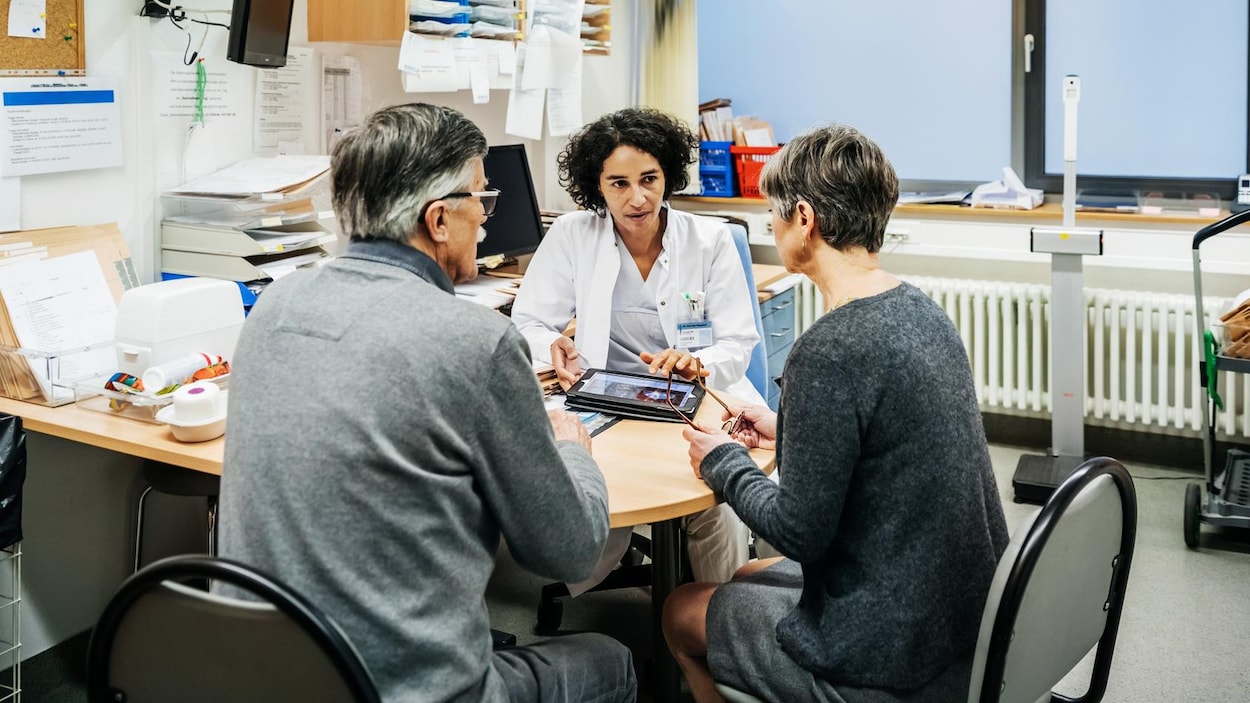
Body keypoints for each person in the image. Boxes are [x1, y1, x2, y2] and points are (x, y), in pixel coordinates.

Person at [217, 103, 636, 703]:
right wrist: (574, 454)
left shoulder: (276, 306)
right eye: (480, 200)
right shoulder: (476, 341)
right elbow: (565, 550)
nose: (487, 222)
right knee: (612, 659)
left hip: (268, 672)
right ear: (439, 219)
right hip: (404, 688)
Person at [661, 125, 1010, 702]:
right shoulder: (920, 310)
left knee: (680, 609)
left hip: (888, 655)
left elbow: (798, 533)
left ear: (804, 217)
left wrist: (722, 460)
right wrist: (789, 429)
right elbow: (885, 444)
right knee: (745, 576)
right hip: (960, 619)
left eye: (773, 211)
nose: (770, 224)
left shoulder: (828, 351)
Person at [510, 107, 762, 586]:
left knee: (717, 502)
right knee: (592, 491)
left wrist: (696, 361)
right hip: (604, 400)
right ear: (597, 187)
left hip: (694, 397)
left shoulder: (708, 241)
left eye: (649, 178)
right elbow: (528, 321)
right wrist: (552, 345)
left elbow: (738, 343)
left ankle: (723, 619)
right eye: (618, 183)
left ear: (667, 174)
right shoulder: (573, 235)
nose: (637, 197)